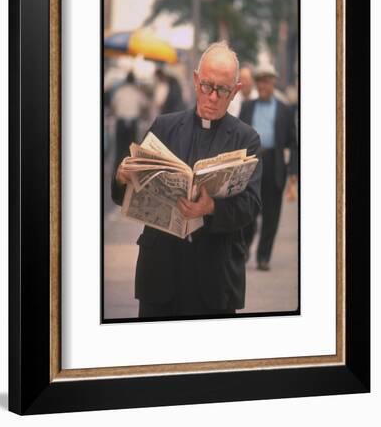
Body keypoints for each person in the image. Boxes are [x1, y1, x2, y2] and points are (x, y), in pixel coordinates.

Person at [111, 41, 262, 319]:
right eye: (207, 86)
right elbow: (124, 195)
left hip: (214, 281)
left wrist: (211, 208)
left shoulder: (246, 139)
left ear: (236, 91)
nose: (213, 97)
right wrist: (122, 178)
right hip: (159, 275)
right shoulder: (164, 126)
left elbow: (251, 205)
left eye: (222, 90)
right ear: (195, 80)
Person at [240, 64, 298, 271]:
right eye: (260, 81)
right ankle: (244, 248)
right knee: (247, 210)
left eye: (267, 81)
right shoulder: (247, 106)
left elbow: (293, 142)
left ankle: (264, 256)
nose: (263, 85)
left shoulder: (285, 110)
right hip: (251, 163)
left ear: (273, 83)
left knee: (272, 215)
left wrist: (292, 172)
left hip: (274, 165)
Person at [110, 71, 147, 168]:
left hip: (121, 122)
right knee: (131, 150)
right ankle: (130, 170)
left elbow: (113, 106)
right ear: (134, 81)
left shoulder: (120, 91)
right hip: (133, 122)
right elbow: (144, 106)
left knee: (120, 149)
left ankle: (118, 171)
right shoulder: (137, 92)